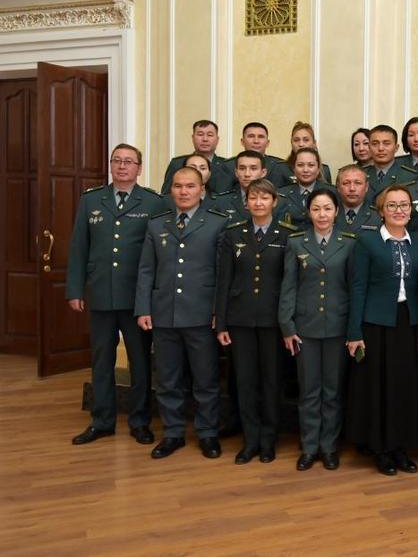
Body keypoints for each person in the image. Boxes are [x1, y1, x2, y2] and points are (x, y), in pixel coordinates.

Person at [67, 144, 165, 446]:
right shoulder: (91, 200)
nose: (122, 166)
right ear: (111, 165)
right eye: (117, 161)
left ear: (139, 168)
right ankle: (102, 420)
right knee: (101, 360)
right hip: (100, 294)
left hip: (137, 298)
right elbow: (78, 248)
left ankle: (140, 422)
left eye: (129, 162)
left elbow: (161, 253)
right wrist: (74, 289)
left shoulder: (152, 202)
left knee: (139, 362)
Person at [135, 166, 231, 459]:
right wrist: (143, 308)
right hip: (164, 313)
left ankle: (207, 433)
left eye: (190, 186)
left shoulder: (217, 223)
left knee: (205, 380)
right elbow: (146, 269)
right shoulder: (156, 224)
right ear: (171, 190)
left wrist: (218, 312)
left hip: (201, 314)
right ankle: (173, 433)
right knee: (168, 379)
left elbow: (221, 274)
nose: (184, 192)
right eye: (178, 186)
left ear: (202, 190)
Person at [346, 185, 418, 476]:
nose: (399, 210)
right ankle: (381, 449)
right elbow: (357, 288)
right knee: (378, 387)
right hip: (375, 324)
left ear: (411, 209)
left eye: (404, 205)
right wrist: (354, 332)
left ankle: (401, 447)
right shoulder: (367, 242)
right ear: (381, 210)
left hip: (409, 323)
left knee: (405, 387)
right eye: (392, 205)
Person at [215, 179, 296, 465]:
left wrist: (289, 324)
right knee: (245, 382)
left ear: (275, 201)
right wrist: (221, 323)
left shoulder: (288, 235)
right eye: (253, 197)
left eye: (264, 197)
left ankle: (268, 441)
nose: (258, 202)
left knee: (272, 382)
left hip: (274, 321)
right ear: (245, 202)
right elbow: (223, 281)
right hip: (240, 320)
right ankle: (250, 440)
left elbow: (290, 284)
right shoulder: (233, 233)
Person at [280, 188, 356, 471]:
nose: (322, 214)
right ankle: (310, 447)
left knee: (333, 391)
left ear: (336, 211)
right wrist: (287, 326)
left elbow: (353, 288)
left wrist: (352, 329)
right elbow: (288, 287)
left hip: (337, 327)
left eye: (327, 208)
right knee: (309, 391)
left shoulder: (349, 242)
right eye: (316, 209)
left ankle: (329, 447)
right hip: (305, 328)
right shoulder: (296, 242)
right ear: (308, 212)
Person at [160, 119, 233, 195]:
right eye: (200, 134)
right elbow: (166, 196)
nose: (205, 139)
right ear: (193, 138)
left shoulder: (227, 166)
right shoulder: (177, 163)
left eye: (210, 135)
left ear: (217, 139)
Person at [278, 147, 334, 231]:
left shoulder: (332, 192)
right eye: (300, 165)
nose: (305, 170)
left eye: (311, 165)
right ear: (294, 168)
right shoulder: (281, 194)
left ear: (318, 169)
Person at [269, 122, 333, 188]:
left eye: (306, 140)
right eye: (296, 140)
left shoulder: (325, 170)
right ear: (291, 143)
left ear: (314, 143)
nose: (301, 144)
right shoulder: (280, 168)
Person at [213, 150, 269, 223]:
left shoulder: (277, 202)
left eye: (253, 168)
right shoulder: (221, 202)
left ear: (263, 173)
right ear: (236, 172)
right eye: (242, 168)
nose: (247, 174)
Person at [366, 124, 418, 200]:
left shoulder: (410, 176)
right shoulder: (361, 174)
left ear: (396, 148)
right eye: (375, 144)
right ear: (369, 148)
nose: (380, 148)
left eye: (386, 143)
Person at [333, 164, 381, 235]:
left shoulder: (378, 216)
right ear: (338, 187)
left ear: (366, 187)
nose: (352, 188)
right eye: (346, 183)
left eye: (358, 183)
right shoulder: (328, 213)